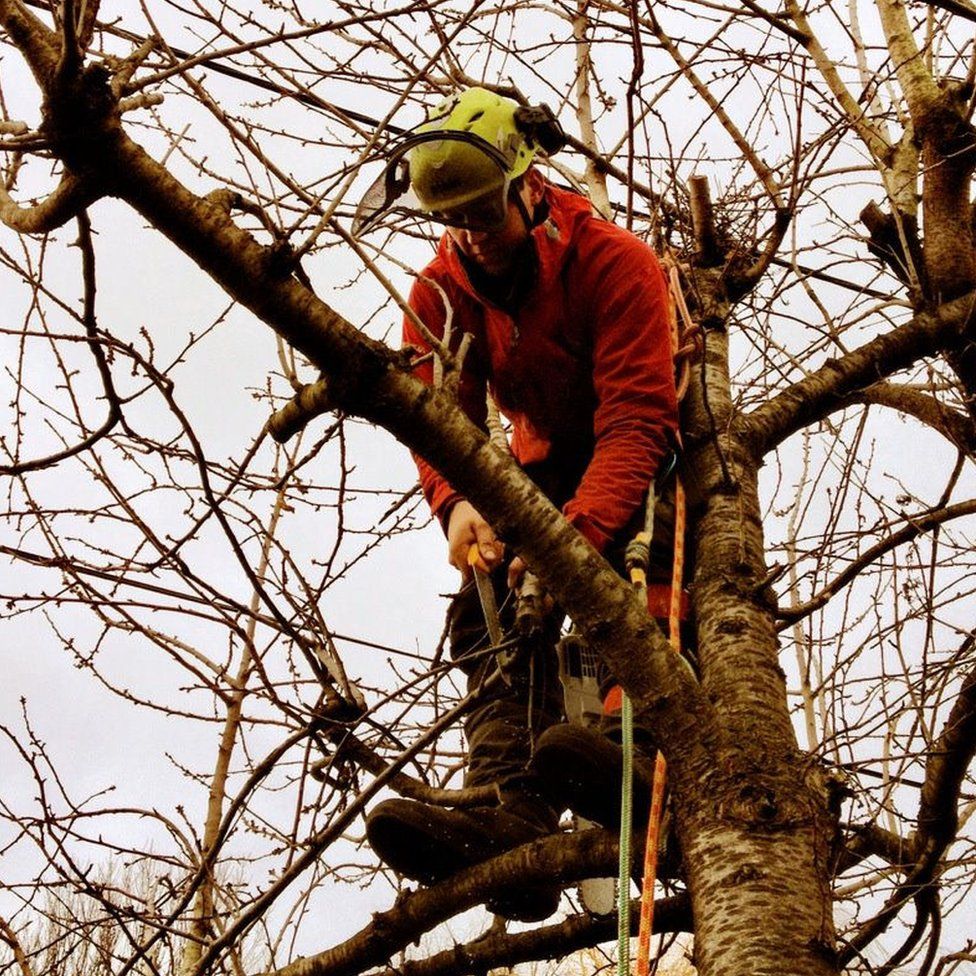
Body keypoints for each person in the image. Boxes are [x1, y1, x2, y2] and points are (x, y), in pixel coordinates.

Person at [355, 87, 680, 921]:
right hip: (535, 465)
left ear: (529, 186)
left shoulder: (615, 264)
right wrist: (455, 500)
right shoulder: (439, 294)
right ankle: (510, 810)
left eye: (485, 217)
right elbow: (434, 415)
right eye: (454, 222)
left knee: (637, 575)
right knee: (487, 607)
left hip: (630, 449)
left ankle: (631, 750)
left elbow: (639, 418)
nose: (472, 239)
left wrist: (569, 542)